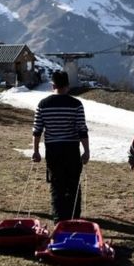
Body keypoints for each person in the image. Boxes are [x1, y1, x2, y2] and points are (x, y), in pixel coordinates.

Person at [32, 71, 89, 223]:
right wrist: (86, 150)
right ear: (67, 86)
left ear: (53, 85)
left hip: (53, 149)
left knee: (57, 184)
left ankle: (59, 218)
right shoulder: (76, 104)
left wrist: (36, 151)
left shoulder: (43, 105)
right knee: (73, 184)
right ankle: (74, 218)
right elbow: (82, 129)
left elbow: (37, 130)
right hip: (71, 149)